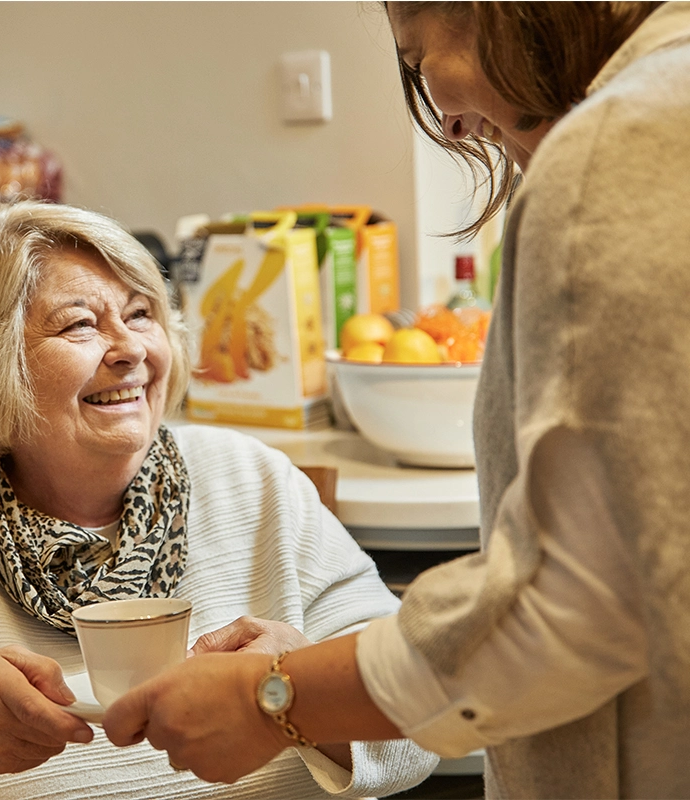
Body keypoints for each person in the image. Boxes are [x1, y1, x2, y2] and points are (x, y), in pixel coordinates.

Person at [101, 3, 690, 797]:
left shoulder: (621, 147)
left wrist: (275, 695)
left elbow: (570, 606)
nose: (445, 119)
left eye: (416, 56)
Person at [0, 202, 436, 799]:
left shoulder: (255, 483)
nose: (131, 350)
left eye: (140, 314)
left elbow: (424, 718)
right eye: (80, 325)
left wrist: (298, 690)